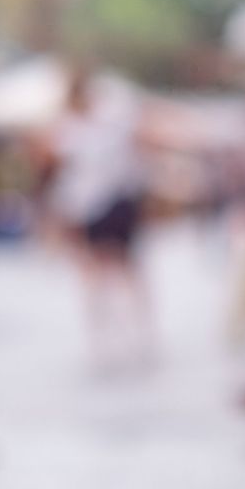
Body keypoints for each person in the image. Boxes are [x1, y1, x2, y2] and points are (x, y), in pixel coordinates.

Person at [37, 64, 152, 365]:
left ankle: (128, 333)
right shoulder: (72, 127)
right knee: (108, 272)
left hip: (107, 203)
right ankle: (116, 335)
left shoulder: (100, 120)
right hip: (96, 205)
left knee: (114, 270)